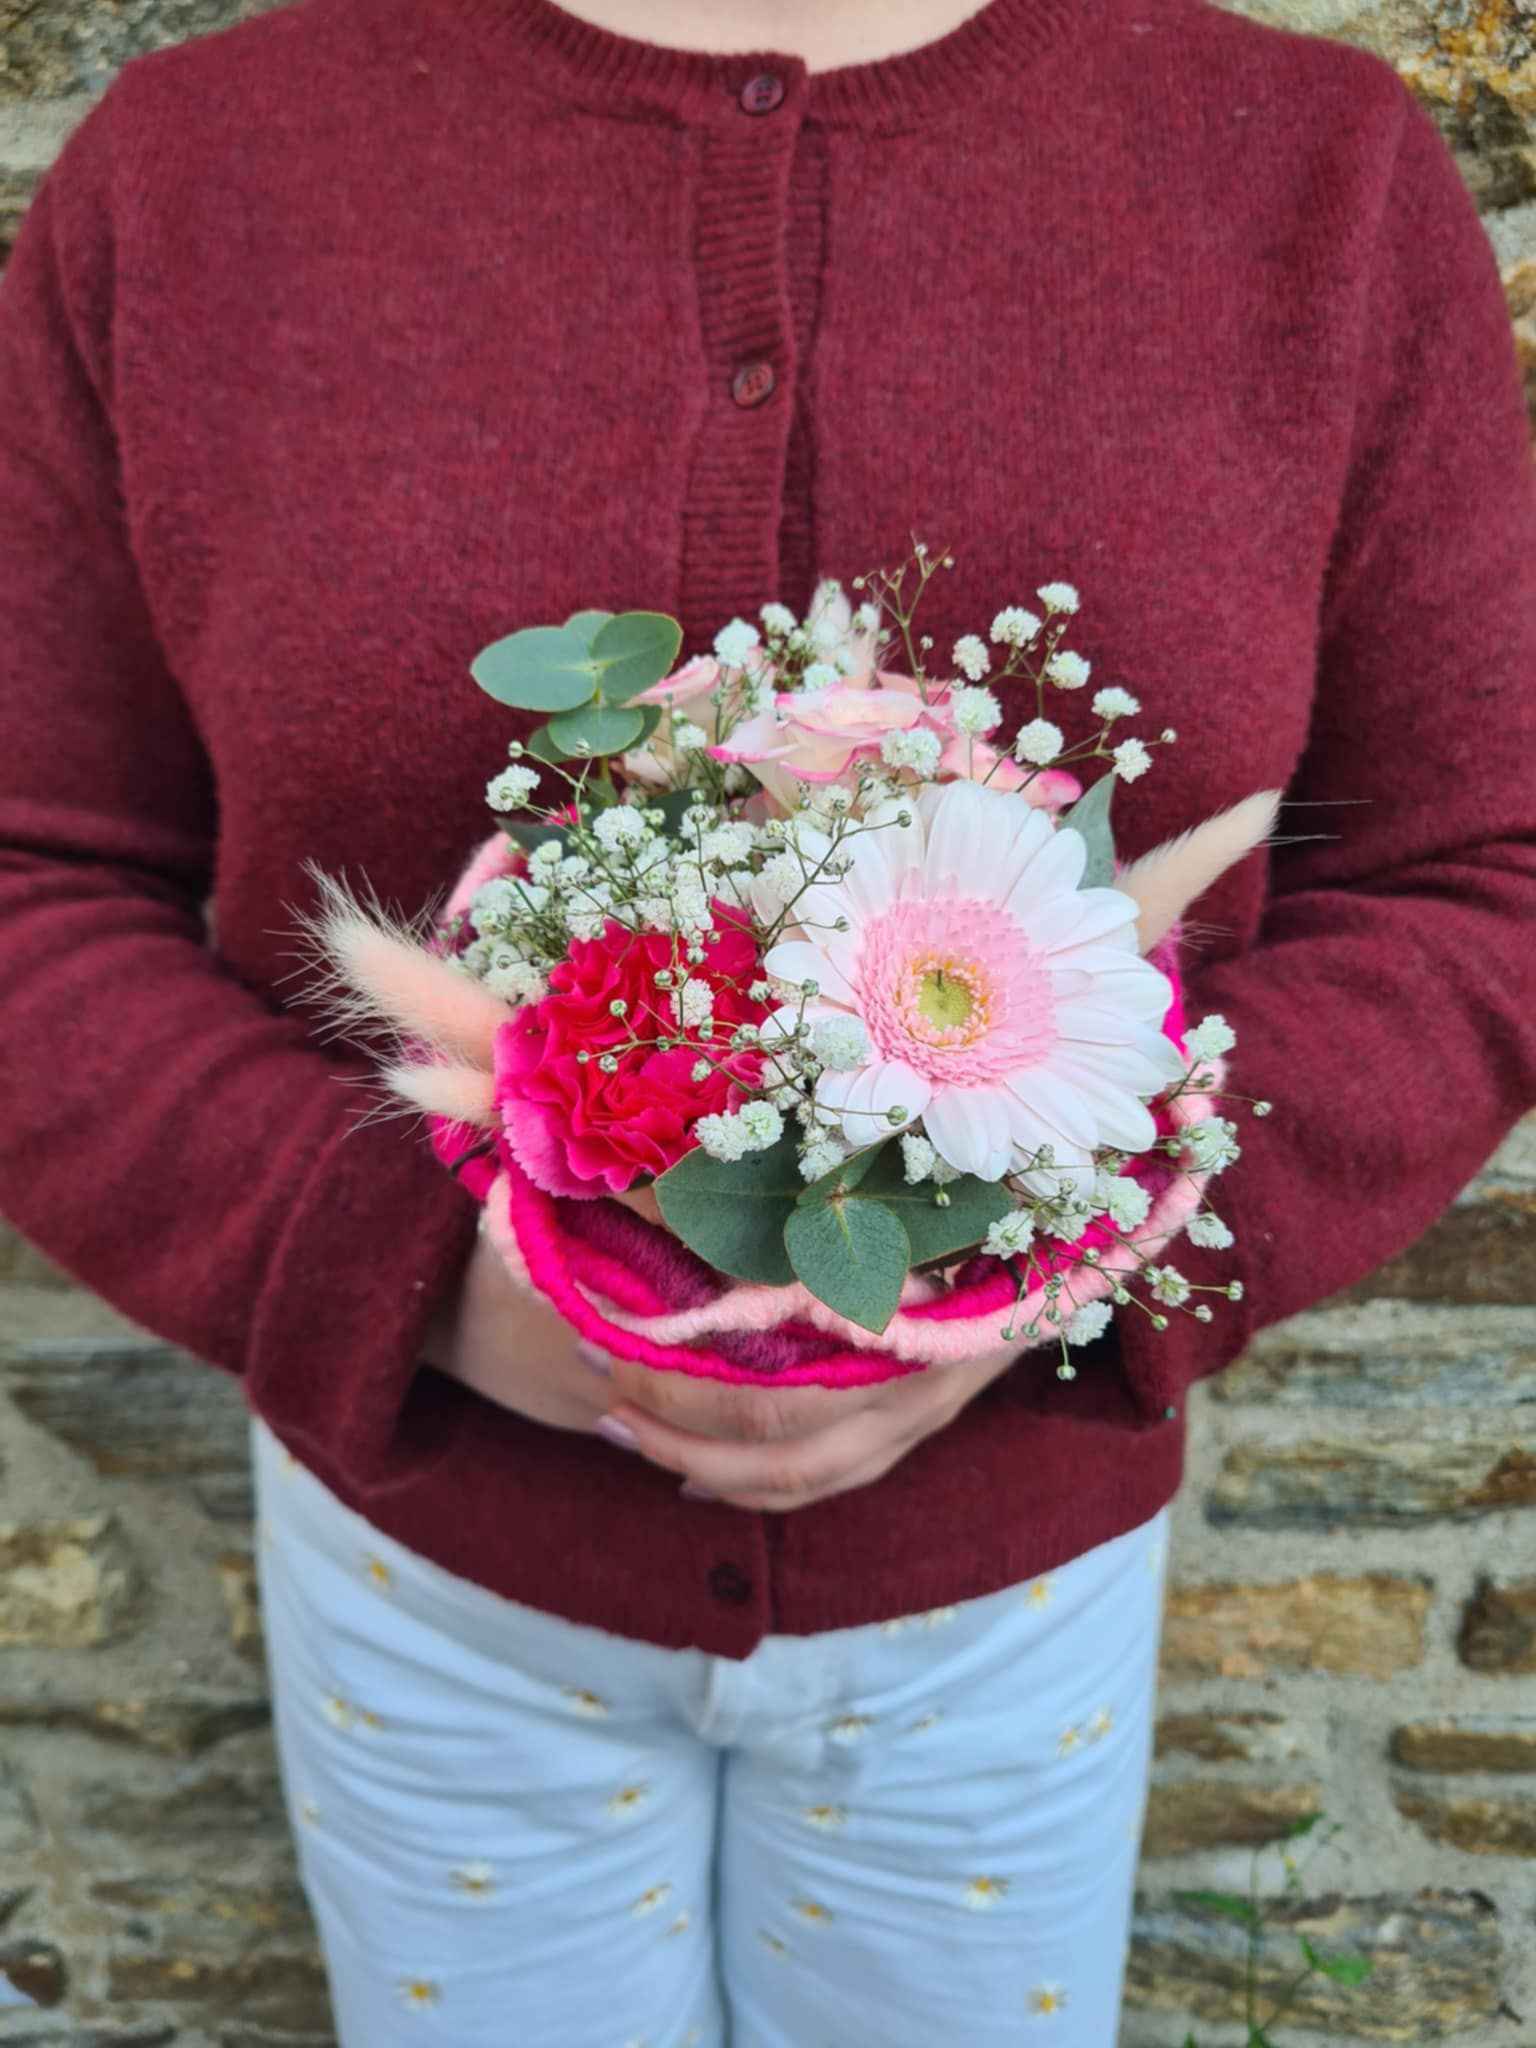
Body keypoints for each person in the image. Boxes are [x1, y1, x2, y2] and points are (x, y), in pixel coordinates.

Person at [1, 0, 1533, 2038]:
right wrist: (410, 1274)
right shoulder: (199, 175)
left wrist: (1077, 1269)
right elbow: (27, 866)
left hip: (1012, 1582)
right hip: (431, 1572)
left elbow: (1480, 874)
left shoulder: (1311, 176)